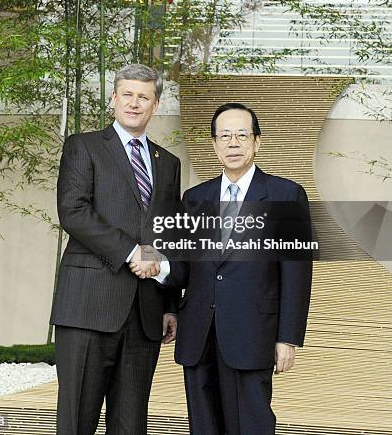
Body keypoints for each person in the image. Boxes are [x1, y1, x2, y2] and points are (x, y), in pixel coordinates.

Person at [131, 102, 312, 435]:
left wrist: (288, 338)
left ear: (257, 142)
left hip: (253, 334)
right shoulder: (194, 198)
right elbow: (180, 261)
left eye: (242, 135)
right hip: (199, 332)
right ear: (214, 144)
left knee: (253, 424)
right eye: (224, 136)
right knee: (204, 426)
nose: (233, 143)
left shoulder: (286, 194)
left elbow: (297, 275)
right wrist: (170, 308)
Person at [50, 64, 181, 435]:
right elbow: (73, 211)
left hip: (145, 313)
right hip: (89, 307)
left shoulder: (168, 164)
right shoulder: (84, 146)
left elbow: (167, 233)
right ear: (113, 98)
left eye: (144, 97)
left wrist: (170, 303)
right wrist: (131, 253)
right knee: (77, 419)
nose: (134, 103)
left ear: (155, 104)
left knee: (131, 423)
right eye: (128, 94)